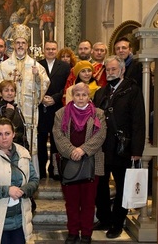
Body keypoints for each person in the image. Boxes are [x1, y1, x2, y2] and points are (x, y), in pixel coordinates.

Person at [93, 55, 145, 239]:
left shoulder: (132, 90)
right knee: (100, 186)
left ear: (122, 70)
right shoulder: (100, 93)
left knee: (122, 186)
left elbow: (138, 121)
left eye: (114, 69)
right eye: (108, 69)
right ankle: (104, 218)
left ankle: (117, 222)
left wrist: (137, 151)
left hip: (123, 148)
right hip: (101, 148)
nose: (110, 72)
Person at [0, 24, 50, 178]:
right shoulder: (4, 66)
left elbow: (44, 83)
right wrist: (6, 96)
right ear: (13, 44)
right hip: (10, 112)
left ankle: (29, 176)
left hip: (29, 112)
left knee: (30, 141)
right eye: (18, 43)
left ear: (27, 45)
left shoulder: (35, 65)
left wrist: (37, 77)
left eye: (23, 43)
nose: (20, 46)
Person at [53, 82, 107, 244]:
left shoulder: (98, 114)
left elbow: (101, 135)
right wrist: (71, 151)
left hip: (91, 163)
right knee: (71, 202)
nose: (81, 98)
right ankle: (73, 232)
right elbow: (58, 135)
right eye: (77, 94)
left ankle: (86, 234)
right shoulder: (60, 114)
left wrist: (83, 150)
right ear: (72, 96)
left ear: (89, 96)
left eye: (84, 94)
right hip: (69, 163)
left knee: (89, 203)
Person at [0, 117, 39, 244]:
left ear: (13, 134)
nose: (4, 138)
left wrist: (24, 190)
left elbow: (34, 180)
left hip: (20, 220)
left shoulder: (23, 153)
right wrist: (7, 190)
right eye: (0, 134)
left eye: (7, 133)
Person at [37, 41, 70, 179]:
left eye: (53, 49)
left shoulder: (65, 66)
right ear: (43, 50)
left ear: (57, 50)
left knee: (57, 140)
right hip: (40, 107)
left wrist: (55, 98)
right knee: (41, 140)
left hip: (57, 108)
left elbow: (67, 86)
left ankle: (55, 170)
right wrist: (42, 97)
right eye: (48, 49)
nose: (50, 51)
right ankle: (41, 170)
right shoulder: (37, 65)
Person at [0, 80, 28, 149]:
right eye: (6, 91)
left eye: (12, 91)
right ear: (0, 93)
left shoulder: (16, 109)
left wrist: (26, 148)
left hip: (18, 148)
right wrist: (9, 111)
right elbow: (0, 126)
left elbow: (22, 132)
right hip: (1, 149)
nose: (10, 93)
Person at [63, 40, 93, 105]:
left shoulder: (98, 67)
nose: (83, 51)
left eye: (86, 48)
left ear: (91, 50)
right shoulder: (73, 69)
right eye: (80, 49)